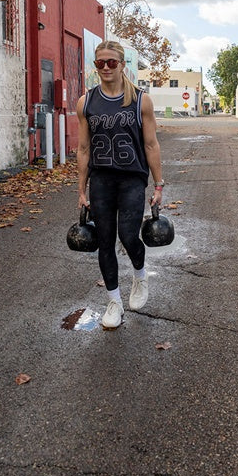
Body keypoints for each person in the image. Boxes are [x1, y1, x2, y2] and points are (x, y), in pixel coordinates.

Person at [76, 40, 165, 330]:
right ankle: (114, 302)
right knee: (104, 241)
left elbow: (151, 145)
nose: (105, 67)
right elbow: (84, 148)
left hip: (132, 178)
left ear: (122, 65)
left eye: (111, 62)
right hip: (102, 179)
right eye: (100, 63)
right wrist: (81, 189)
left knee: (128, 236)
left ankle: (140, 275)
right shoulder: (86, 102)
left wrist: (158, 185)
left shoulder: (141, 100)